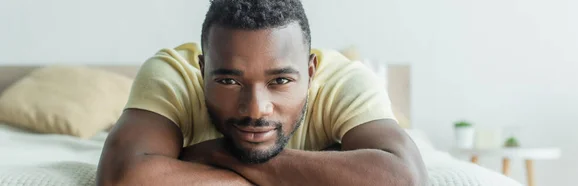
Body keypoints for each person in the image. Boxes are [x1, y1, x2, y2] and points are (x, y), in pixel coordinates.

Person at [96, 0, 427, 185]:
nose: (256, 109)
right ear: (202, 70)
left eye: (280, 81)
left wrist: (217, 154)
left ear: (310, 73)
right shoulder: (173, 74)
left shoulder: (343, 80)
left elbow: (406, 180)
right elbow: (123, 178)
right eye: (229, 81)